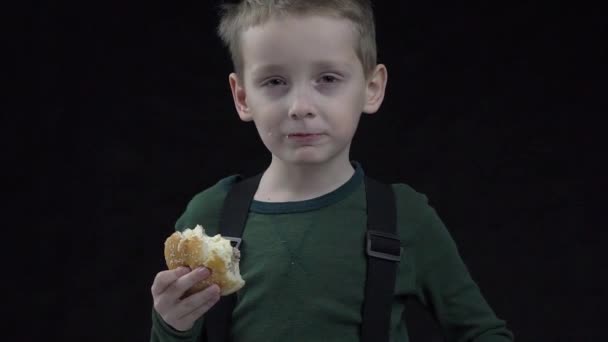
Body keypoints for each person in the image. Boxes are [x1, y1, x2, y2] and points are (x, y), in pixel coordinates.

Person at [149, 1, 514, 341]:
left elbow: (483, 333)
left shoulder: (404, 217)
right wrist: (171, 325)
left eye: (327, 79)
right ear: (242, 97)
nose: (301, 107)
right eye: (275, 82)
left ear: (371, 88)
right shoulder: (209, 217)